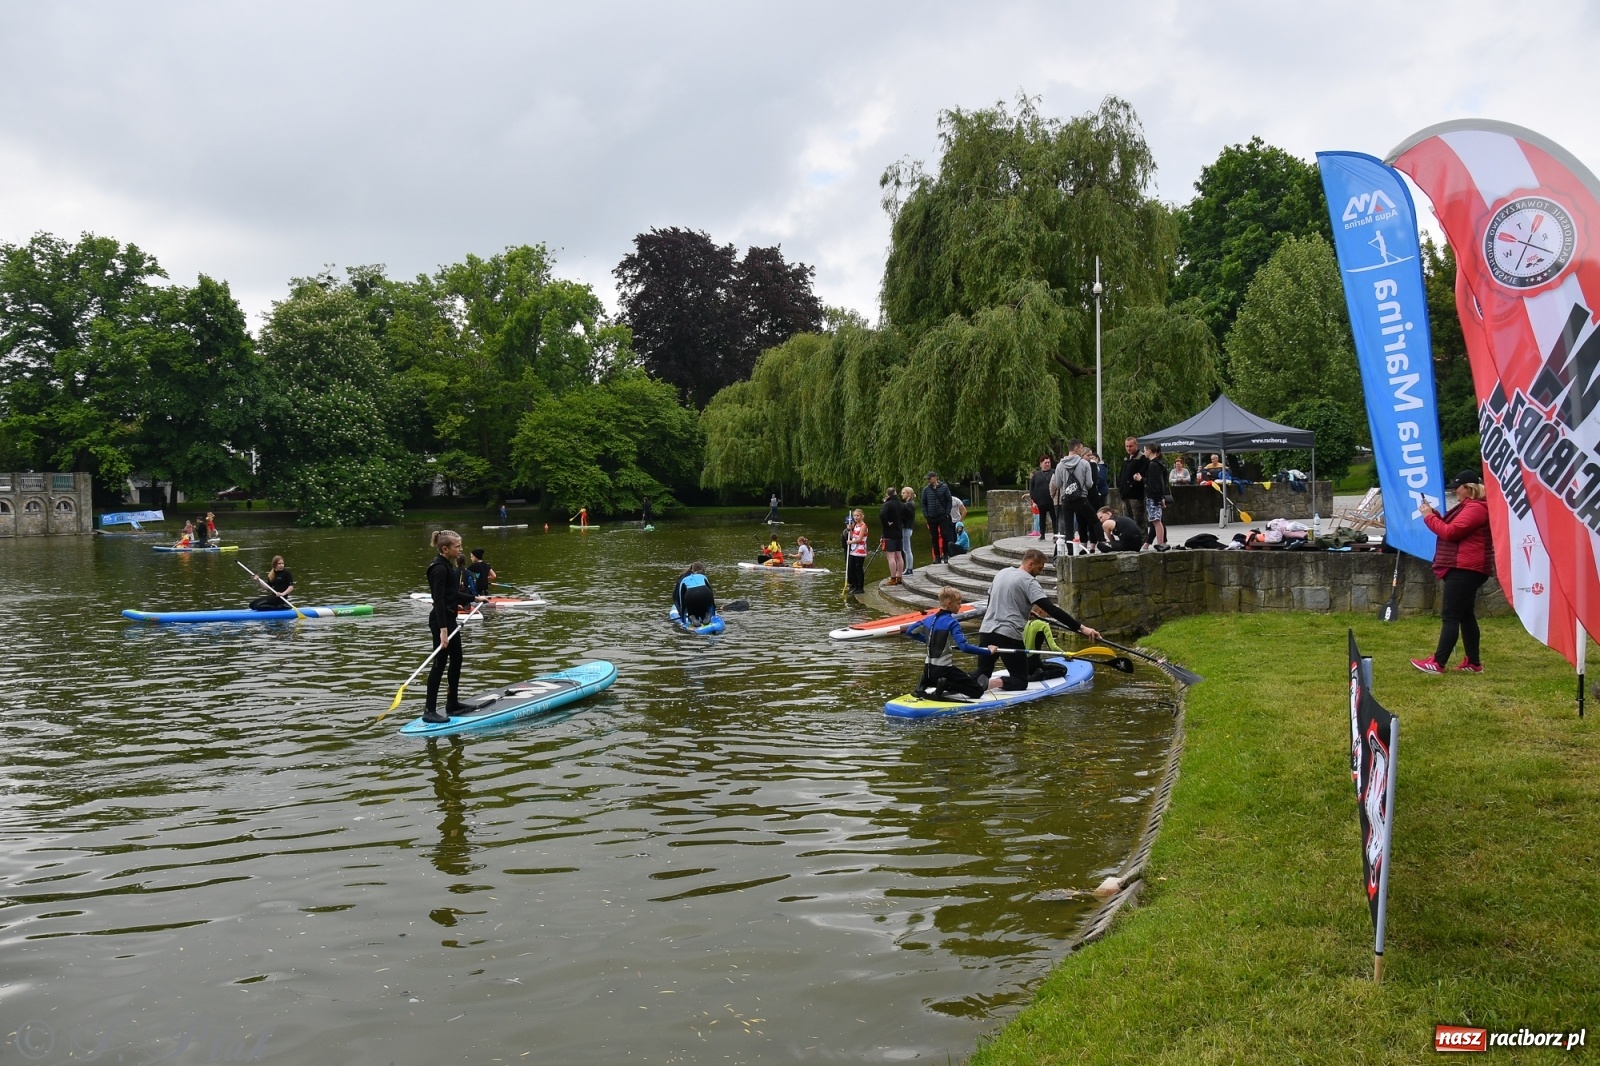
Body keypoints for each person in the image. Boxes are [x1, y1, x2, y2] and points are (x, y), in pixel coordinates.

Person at [976, 548, 1101, 690]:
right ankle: (992, 683)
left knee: (982, 672)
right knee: (1020, 681)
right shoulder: (1029, 581)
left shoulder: (1002, 573)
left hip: (986, 630)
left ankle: (951, 684)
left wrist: (1025, 611)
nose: (1040, 572)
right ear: (1030, 564)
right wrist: (1082, 628)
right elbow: (1052, 609)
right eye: (1039, 568)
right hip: (1008, 635)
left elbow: (991, 602)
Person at [1412, 471, 1493, 674]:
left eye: (1457, 487)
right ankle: (1473, 663)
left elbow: (1450, 532)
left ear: (1469, 488)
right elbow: (1450, 527)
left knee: (1450, 615)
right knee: (1465, 616)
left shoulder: (1475, 508)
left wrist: (1428, 517)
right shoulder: (1471, 507)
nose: (1454, 491)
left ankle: (1438, 663)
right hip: (1468, 567)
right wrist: (1435, 515)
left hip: (1464, 568)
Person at [424, 530, 481, 724]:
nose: (461, 549)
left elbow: (452, 594)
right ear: (445, 548)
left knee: (457, 659)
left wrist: (475, 598)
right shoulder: (438, 569)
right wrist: (443, 631)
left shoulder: (446, 565)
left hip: (449, 620)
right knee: (439, 665)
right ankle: (429, 711)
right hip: (441, 622)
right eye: (458, 546)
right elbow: (438, 600)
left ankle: (452, 703)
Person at [904, 586, 1000, 699]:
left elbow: (910, 631)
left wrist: (931, 641)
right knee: (978, 691)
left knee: (947, 677)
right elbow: (964, 647)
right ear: (949, 604)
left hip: (928, 669)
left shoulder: (928, 619)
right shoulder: (952, 622)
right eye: (958, 603)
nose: (960, 606)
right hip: (944, 670)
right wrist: (988, 651)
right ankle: (944, 684)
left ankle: (923, 683)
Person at [1052, 440, 1099, 552]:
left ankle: (1071, 551)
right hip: (1081, 498)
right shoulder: (1084, 463)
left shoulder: (1060, 465)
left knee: (1069, 528)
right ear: (1076, 448)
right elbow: (1089, 483)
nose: (1082, 450)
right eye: (1081, 448)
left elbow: (1058, 484)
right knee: (1095, 520)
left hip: (1066, 499)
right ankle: (1100, 542)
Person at [921, 472, 955, 565]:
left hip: (942, 515)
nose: (928, 480)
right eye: (927, 479)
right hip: (931, 516)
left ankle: (946, 554)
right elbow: (923, 503)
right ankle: (937, 557)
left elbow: (949, 500)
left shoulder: (944, 487)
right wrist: (926, 515)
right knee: (934, 537)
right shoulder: (926, 490)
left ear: (935, 478)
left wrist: (947, 513)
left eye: (930, 478)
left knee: (945, 535)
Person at [1117, 437, 1148, 532]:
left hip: (1135, 495)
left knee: (1138, 519)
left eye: (1131, 446)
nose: (1128, 448)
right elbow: (1122, 474)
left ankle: (1142, 540)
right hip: (1125, 494)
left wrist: (1132, 485)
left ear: (1136, 445)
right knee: (1126, 519)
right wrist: (1121, 486)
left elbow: (1143, 474)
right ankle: (1130, 538)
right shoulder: (1126, 459)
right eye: (1127, 446)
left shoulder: (1142, 458)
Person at [1142, 443, 1170, 547]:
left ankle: (1160, 543)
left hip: (1153, 496)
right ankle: (1160, 542)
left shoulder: (1153, 465)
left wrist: (1158, 497)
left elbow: (1155, 482)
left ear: (1149, 450)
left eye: (1145, 450)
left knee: (1156, 521)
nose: (1144, 452)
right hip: (1156, 495)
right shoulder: (1159, 464)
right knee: (1156, 520)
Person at [674, 562, 717, 627]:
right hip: (706, 594)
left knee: (692, 610)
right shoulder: (703, 577)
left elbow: (682, 602)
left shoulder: (683, 579)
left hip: (691, 595)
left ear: (692, 570)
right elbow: (711, 594)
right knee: (704, 607)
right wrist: (713, 614)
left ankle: (692, 617)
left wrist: (683, 621)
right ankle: (707, 614)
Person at [879, 487, 905, 585]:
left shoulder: (887, 504)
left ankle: (893, 578)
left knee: (891, 557)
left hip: (889, 533)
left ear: (887, 494)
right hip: (899, 532)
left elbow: (882, 514)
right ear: (896, 493)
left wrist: (887, 523)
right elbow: (908, 514)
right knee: (899, 555)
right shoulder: (901, 504)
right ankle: (900, 577)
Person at [1029, 455, 1057, 538]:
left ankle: (1055, 534)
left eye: (1049, 462)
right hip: (1040, 502)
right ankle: (1042, 534)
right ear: (1041, 464)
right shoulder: (1036, 475)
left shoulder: (1054, 472)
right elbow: (1032, 488)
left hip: (1052, 500)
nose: (1047, 464)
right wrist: (1033, 499)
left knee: (1054, 518)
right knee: (1042, 518)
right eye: (1045, 463)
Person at [847, 508, 869, 594]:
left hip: (860, 550)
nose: (856, 517)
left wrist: (850, 542)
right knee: (851, 568)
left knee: (858, 569)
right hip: (853, 550)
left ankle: (860, 587)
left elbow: (859, 539)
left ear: (862, 516)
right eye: (855, 515)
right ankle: (855, 586)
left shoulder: (863, 526)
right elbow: (853, 536)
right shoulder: (855, 525)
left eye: (858, 515)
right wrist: (850, 530)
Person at [899, 487, 917, 574]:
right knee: (906, 549)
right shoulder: (909, 504)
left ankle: (909, 568)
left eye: (903, 493)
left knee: (906, 549)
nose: (902, 494)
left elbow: (906, 517)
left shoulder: (909, 505)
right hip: (907, 528)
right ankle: (908, 568)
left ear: (909, 494)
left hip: (906, 528)